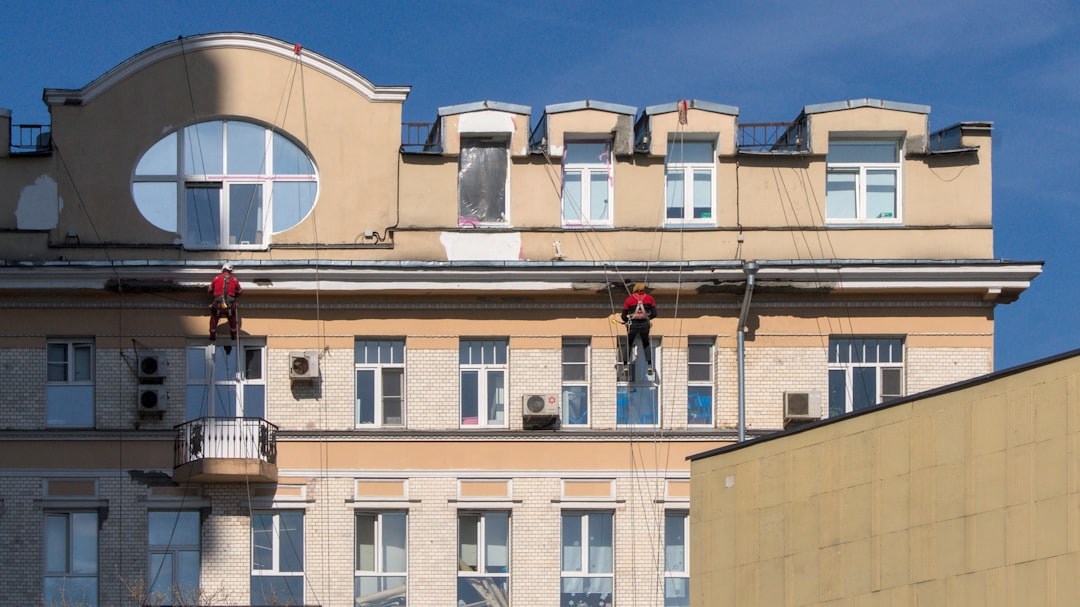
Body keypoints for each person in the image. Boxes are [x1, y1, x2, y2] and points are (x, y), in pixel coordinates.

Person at [621, 283, 657, 373]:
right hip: (644, 324)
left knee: (629, 343)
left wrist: (627, 321)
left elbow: (623, 316)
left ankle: (625, 366)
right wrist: (647, 318)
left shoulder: (629, 299)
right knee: (646, 343)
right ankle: (649, 365)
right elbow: (654, 314)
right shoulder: (650, 298)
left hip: (633, 324)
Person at [208, 263, 242, 341]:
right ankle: (233, 335)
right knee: (232, 318)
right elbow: (240, 292)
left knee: (214, 318)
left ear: (223, 269)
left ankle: (212, 335)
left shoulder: (216, 278)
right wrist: (233, 295)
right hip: (229, 306)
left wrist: (215, 293)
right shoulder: (234, 280)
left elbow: (209, 289)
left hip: (218, 305)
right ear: (231, 271)